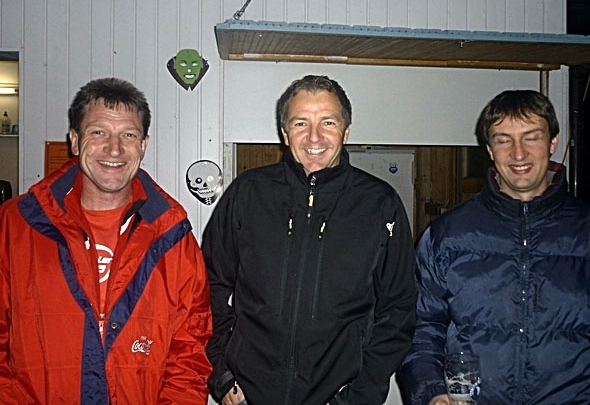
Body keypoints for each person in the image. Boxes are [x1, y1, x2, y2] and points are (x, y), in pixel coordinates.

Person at [202, 74, 417, 405]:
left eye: (328, 122)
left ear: (346, 131)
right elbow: (205, 287)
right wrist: (222, 374)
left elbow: (399, 309)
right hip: (248, 396)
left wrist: (358, 395)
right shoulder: (248, 193)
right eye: (301, 123)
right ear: (285, 133)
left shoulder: (379, 204)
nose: (314, 136)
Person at [0, 77, 212, 404]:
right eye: (98, 132)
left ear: (143, 145)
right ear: (74, 140)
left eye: (128, 135)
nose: (114, 149)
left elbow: (189, 351)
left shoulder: (172, 235)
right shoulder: (15, 225)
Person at [398, 90, 590, 405]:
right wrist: (432, 392)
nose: (518, 153)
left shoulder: (585, 231)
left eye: (531, 137)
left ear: (553, 142)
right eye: (504, 140)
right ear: (489, 149)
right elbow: (420, 329)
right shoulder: (447, 235)